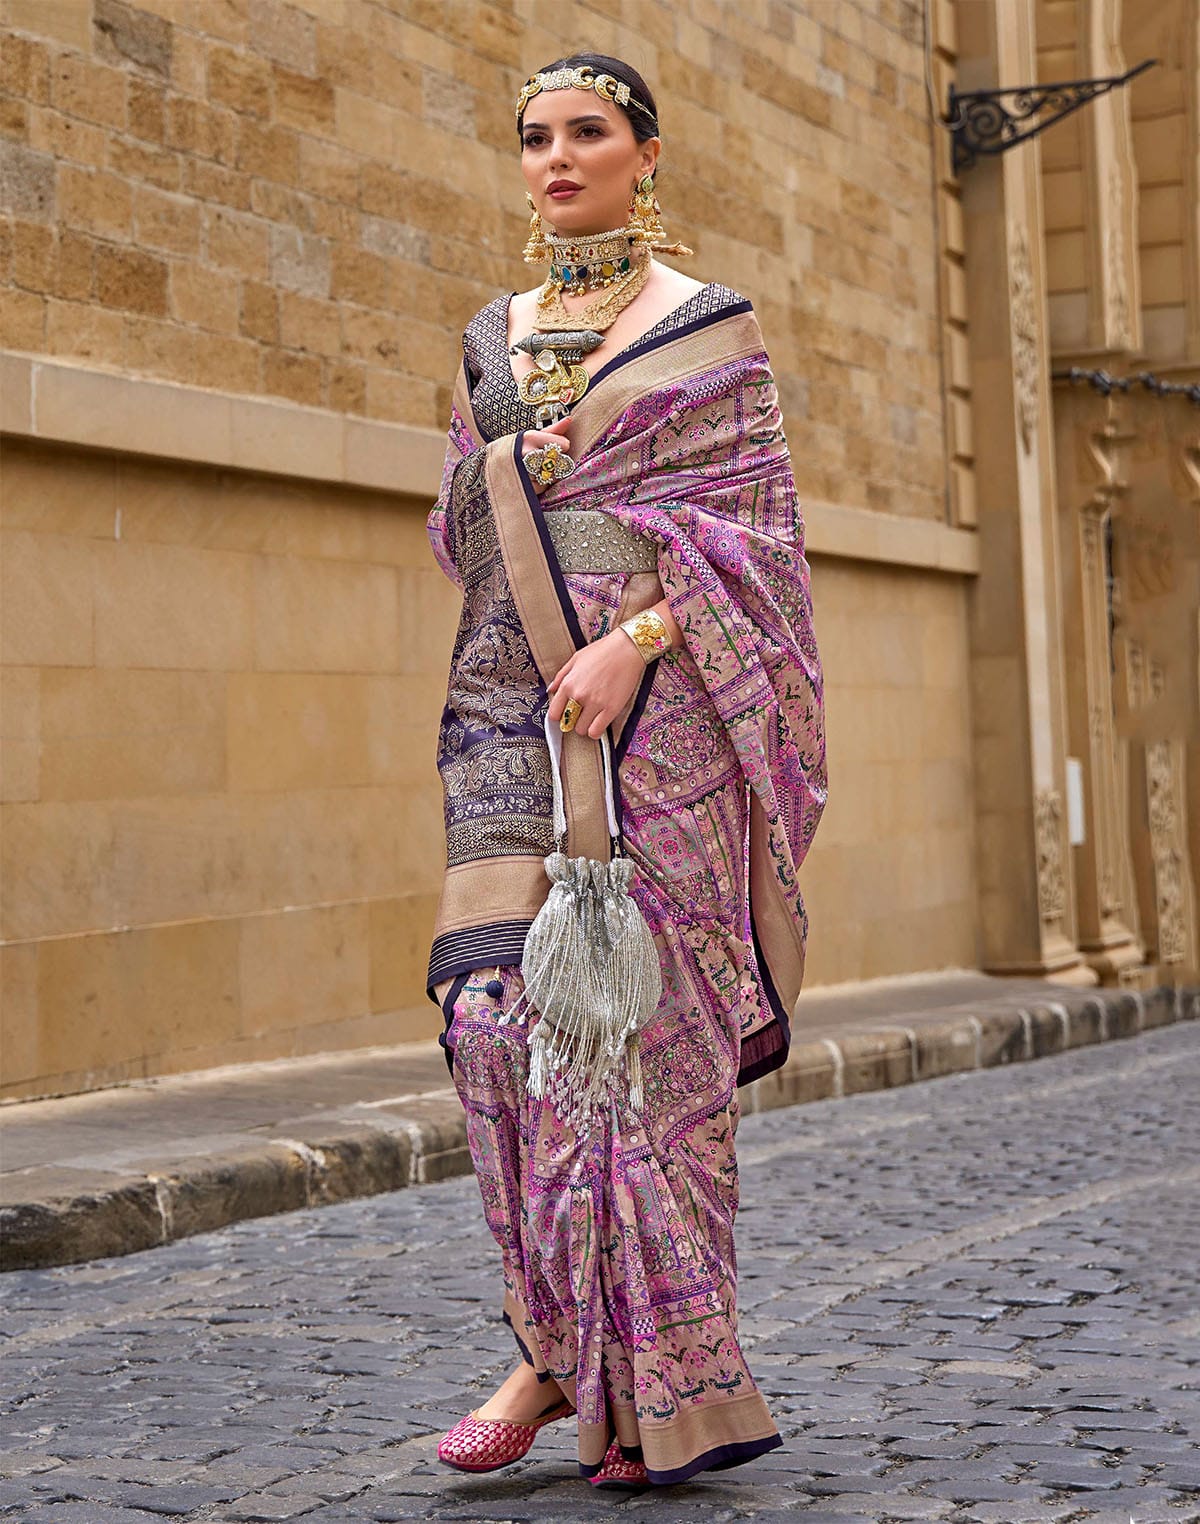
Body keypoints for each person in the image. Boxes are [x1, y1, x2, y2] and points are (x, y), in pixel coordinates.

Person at [424, 51, 827, 1491]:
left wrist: (639, 640)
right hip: (503, 706)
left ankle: (654, 1389)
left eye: (587, 132)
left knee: (641, 1048)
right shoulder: (492, 331)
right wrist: (502, 474)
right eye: (534, 137)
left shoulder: (712, 333)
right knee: (489, 1024)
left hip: (667, 727)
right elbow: (456, 525)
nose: (556, 158)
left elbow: (766, 552)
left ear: (648, 154)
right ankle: (548, 1342)